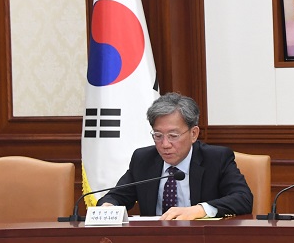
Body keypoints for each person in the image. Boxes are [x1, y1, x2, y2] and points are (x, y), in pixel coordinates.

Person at [98, 92, 253, 220]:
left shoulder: (216, 159)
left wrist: (199, 210)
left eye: (173, 135)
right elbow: (115, 197)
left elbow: (243, 198)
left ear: (193, 134)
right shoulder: (143, 159)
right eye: (158, 136)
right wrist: (108, 207)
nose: (165, 144)